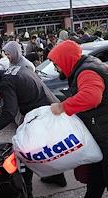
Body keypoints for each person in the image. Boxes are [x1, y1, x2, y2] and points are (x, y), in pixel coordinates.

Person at [0, 60, 67, 198]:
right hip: (49, 107)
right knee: (46, 147)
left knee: (25, 152)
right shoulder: (14, 70)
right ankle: (57, 177)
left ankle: (27, 192)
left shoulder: (5, 83)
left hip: (41, 115)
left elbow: (10, 112)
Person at [48, 40, 108, 198]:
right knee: (96, 178)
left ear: (66, 60)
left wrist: (62, 107)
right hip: (100, 136)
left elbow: (91, 97)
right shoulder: (82, 68)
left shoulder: (87, 71)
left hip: (106, 136)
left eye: (56, 63)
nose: (55, 68)